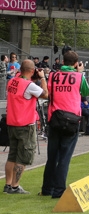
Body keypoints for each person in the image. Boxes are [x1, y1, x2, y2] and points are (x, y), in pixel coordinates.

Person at [41, 51, 89, 198]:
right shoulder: (79, 76)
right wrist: (79, 72)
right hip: (72, 120)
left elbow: (48, 92)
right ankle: (58, 190)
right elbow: (85, 91)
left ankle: (47, 188)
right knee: (64, 157)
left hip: (55, 118)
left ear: (62, 61)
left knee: (52, 157)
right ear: (76, 63)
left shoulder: (53, 76)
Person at [4, 59, 48, 194]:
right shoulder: (29, 85)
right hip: (25, 124)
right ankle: (15, 186)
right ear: (32, 71)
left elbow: (21, 82)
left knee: (12, 155)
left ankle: (8, 185)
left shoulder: (12, 81)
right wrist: (43, 78)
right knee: (23, 156)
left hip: (12, 123)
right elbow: (45, 94)